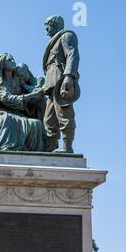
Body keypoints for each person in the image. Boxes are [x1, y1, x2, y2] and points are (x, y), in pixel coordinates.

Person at [42, 14, 80, 153]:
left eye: (47, 24)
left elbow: (73, 55)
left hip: (60, 80)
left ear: (55, 24)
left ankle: (67, 148)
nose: (45, 28)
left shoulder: (66, 36)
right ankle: (50, 148)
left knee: (64, 114)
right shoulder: (54, 41)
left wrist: (68, 77)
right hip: (51, 83)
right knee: (49, 120)